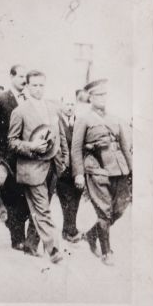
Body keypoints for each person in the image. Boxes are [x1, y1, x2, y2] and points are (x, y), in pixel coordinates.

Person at [8, 70, 68, 263]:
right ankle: (54, 249)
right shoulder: (20, 111)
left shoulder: (52, 108)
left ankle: (31, 244)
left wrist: (64, 159)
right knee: (42, 209)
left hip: (53, 167)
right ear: (27, 86)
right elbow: (12, 142)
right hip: (31, 168)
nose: (38, 89)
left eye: (41, 85)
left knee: (41, 207)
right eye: (34, 85)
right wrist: (31, 146)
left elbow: (60, 136)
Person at [71, 79, 132, 265]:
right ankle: (106, 252)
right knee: (104, 210)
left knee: (121, 207)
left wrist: (132, 170)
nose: (103, 98)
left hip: (119, 169)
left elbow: (124, 146)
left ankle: (92, 234)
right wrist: (79, 173)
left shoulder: (115, 118)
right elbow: (76, 148)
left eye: (105, 94)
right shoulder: (84, 119)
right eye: (98, 95)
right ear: (90, 97)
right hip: (96, 167)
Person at [0, 64, 39, 251]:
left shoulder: (30, 100)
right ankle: (17, 237)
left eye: (26, 77)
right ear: (11, 77)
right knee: (12, 197)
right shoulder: (1, 100)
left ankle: (21, 234)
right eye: (20, 76)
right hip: (7, 159)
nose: (23, 80)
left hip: (27, 156)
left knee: (26, 197)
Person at [55, 94, 83, 243]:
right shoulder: (56, 121)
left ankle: (68, 230)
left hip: (77, 169)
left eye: (72, 104)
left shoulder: (79, 121)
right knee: (66, 199)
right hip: (63, 169)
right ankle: (71, 231)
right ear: (61, 105)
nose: (70, 107)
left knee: (76, 198)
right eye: (67, 104)